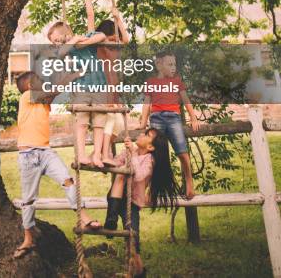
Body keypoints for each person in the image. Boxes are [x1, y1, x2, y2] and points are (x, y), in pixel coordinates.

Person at [14, 70, 102, 259]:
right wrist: (71, 76)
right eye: (38, 80)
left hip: (46, 152)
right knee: (28, 199)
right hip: (29, 155)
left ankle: (84, 217)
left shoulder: (42, 102)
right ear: (30, 86)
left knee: (67, 180)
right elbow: (53, 90)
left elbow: (52, 94)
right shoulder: (27, 96)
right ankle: (28, 238)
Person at [104, 129, 178, 277]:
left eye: (147, 135)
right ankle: (111, 219)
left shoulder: (149, 160)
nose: (142, 134)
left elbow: (139, 177)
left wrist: (132, 153)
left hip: (132, 204)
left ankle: (139, 272)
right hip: (116, 198)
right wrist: (107, 156)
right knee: (120, 173)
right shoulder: (131, 151)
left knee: (133, 241)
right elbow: (116, 162)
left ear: (150, 147)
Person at [47, 20, 108, 167]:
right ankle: (81, 155)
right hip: (80, 88)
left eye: (56, 40)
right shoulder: (66, 49)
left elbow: (102, 36)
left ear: (66, 34)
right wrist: (73, 41)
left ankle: (97, 156)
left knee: (99, 123)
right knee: (81, 122)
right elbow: (59, 54)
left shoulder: (85, 38)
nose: (56, 44)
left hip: (99, 85)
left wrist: (83, 42)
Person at [140, 51, 199, 199]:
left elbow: (185, 100)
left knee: (182, 152)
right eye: (170, 64)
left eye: (174, 64)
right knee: (154, 155)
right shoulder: (151, 82)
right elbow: (147, 103)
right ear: (159, 65)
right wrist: (142, 123)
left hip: (173, 118)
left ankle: (189, 182)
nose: (173, 67)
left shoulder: (177, 81)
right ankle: (150, 189)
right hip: (156, 119)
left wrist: (193, 117)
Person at [84, 0, 130, 165]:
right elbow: (90, 18)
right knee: (109, 119)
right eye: (110, 38)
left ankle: (98, 154)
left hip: (112, 93)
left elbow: (125, 39)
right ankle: (102, 155)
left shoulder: (113, 50)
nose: (113, 42)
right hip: (101, 92)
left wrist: (118, 19)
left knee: (117, 124)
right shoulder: (96, 48)